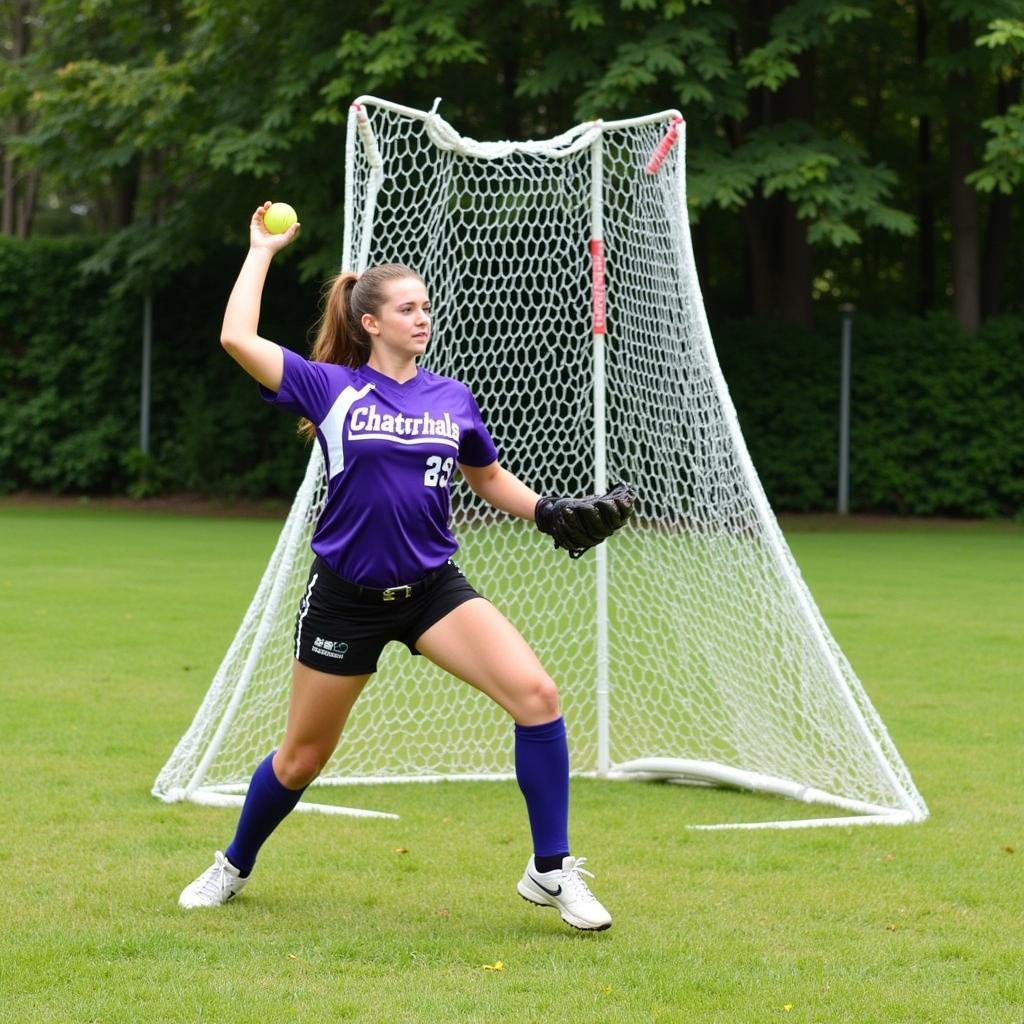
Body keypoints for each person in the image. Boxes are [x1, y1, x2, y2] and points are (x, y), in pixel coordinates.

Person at [178, 202, 633, 932]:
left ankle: (551, 870)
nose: (423, 318)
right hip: (345, 600)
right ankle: (233, 863)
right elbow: (236, 336)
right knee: (300, 760)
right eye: (408, 308)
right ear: (371, 323)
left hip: (431, 590)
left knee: (538, 696)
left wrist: (547, 510)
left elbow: (486, 478)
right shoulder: (330, 386)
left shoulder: (451, 397)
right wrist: (261, 249)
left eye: (426, 307)